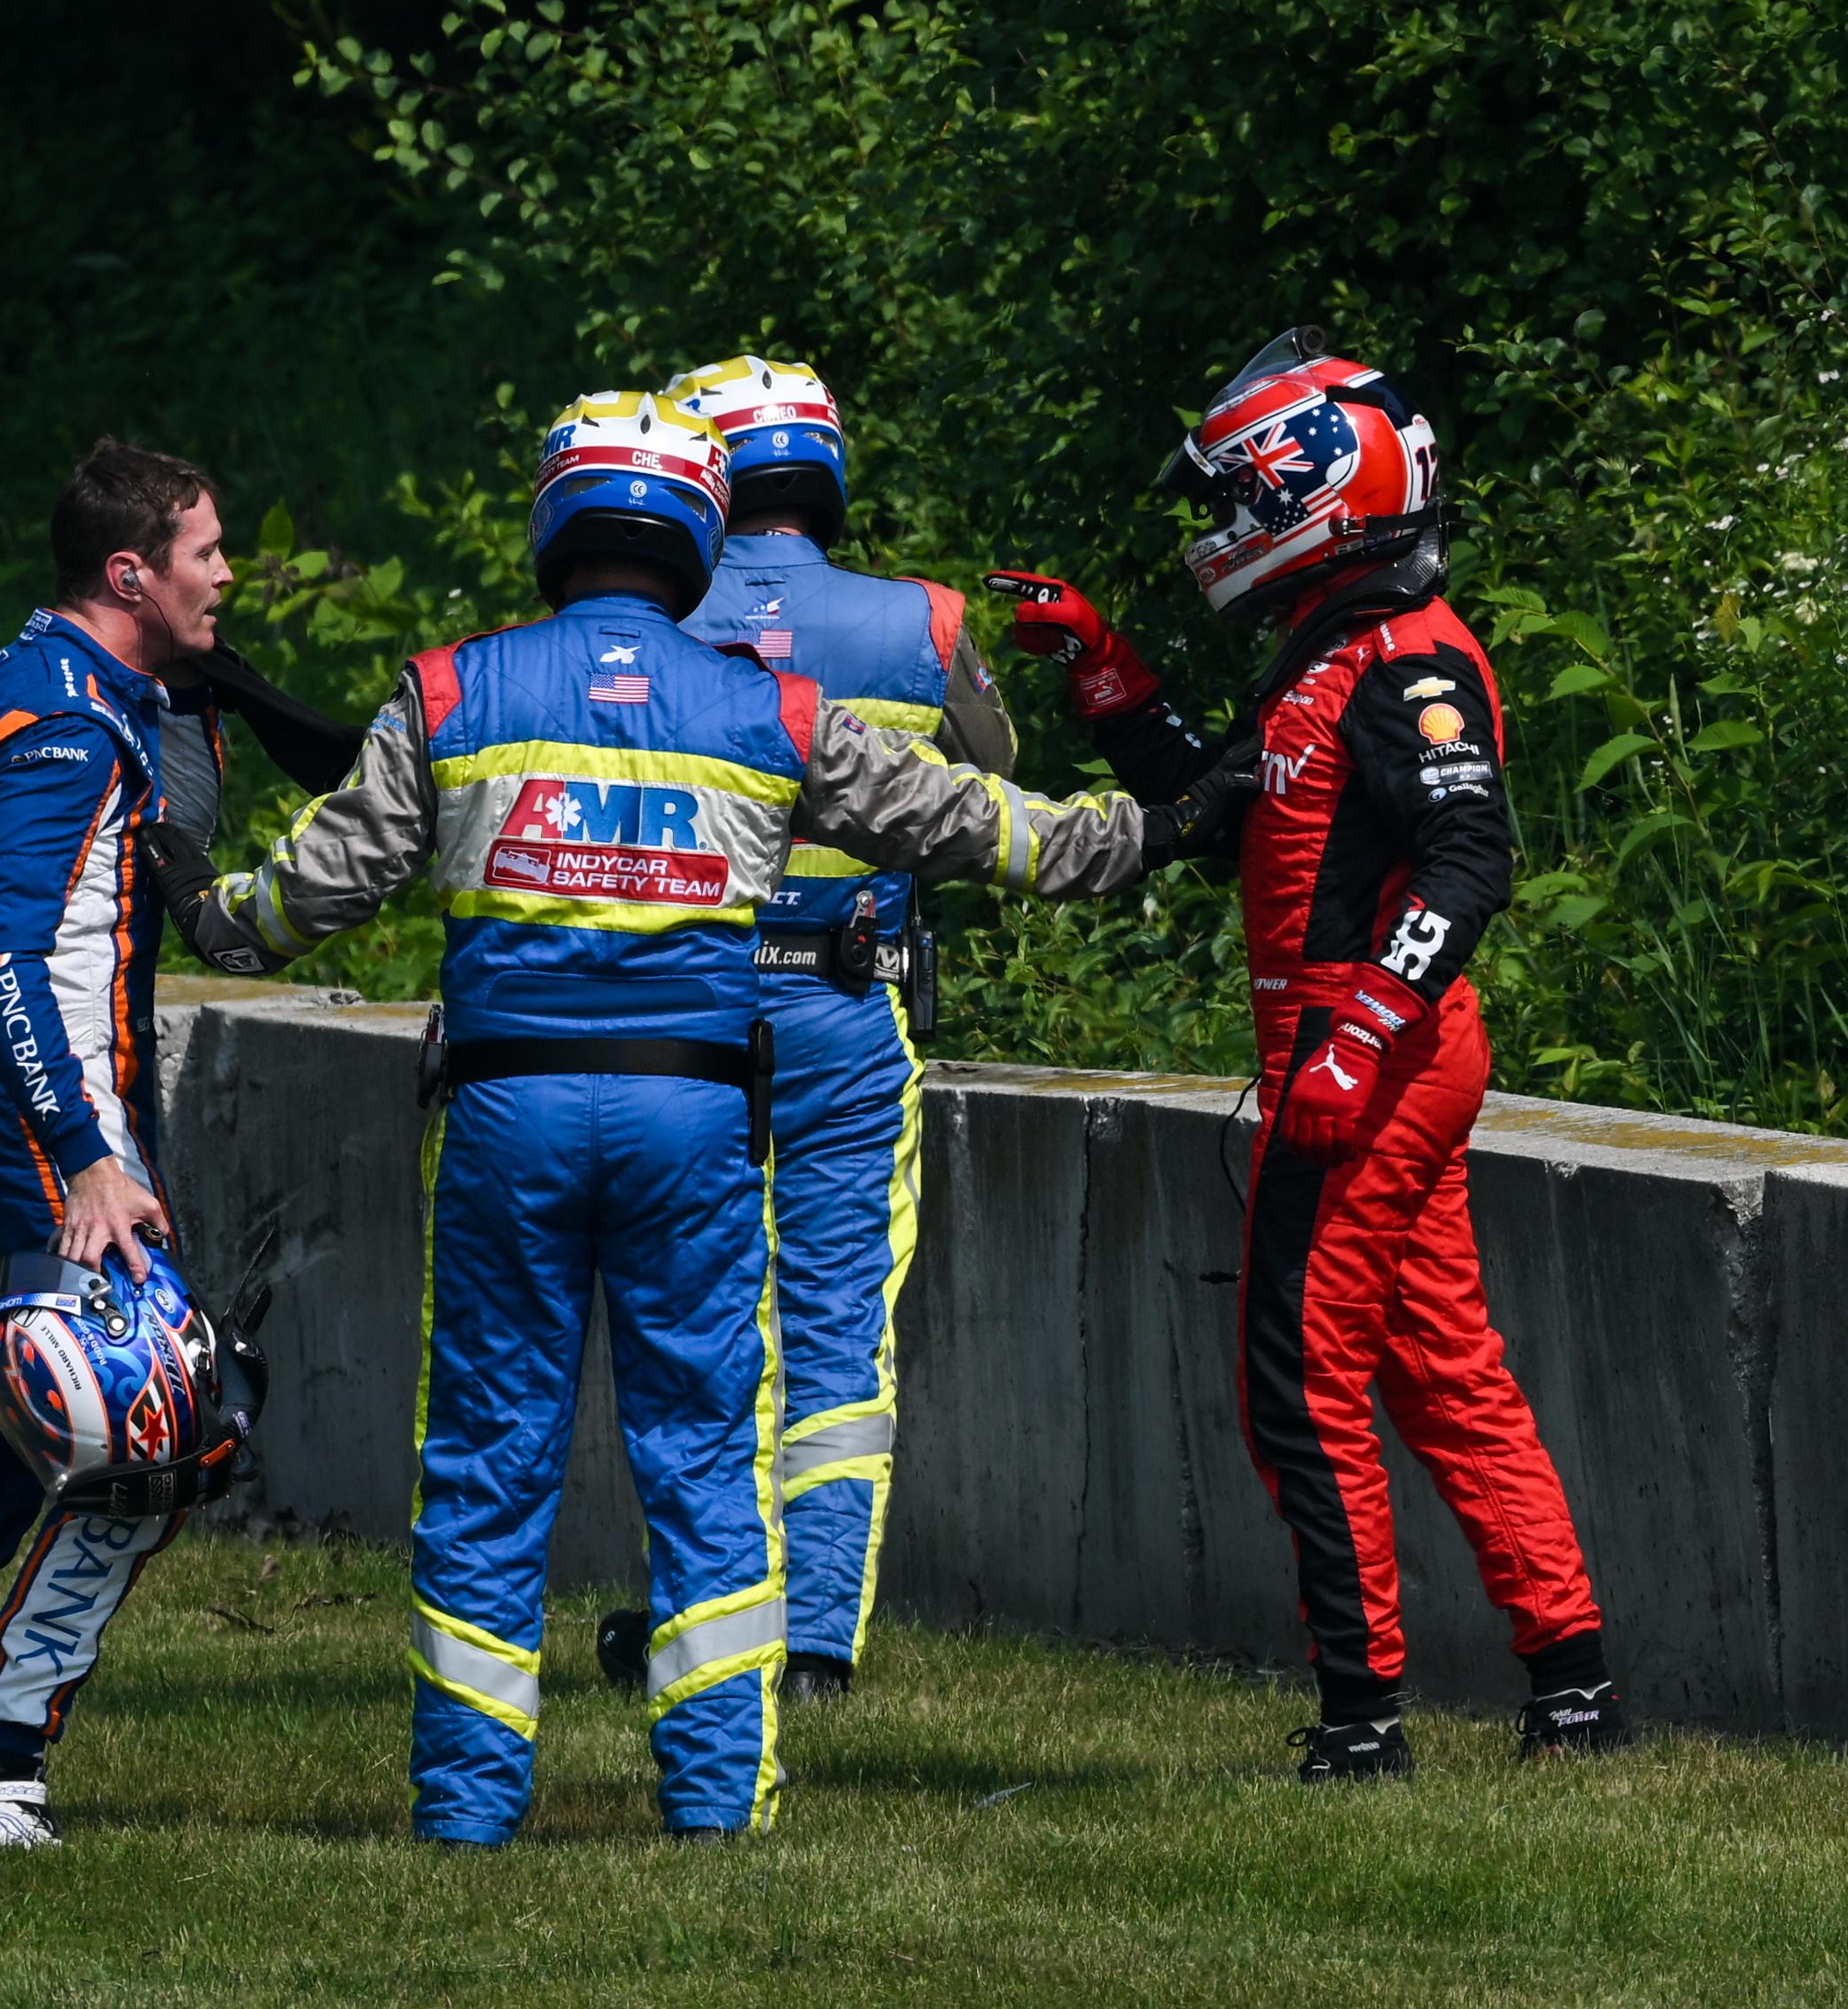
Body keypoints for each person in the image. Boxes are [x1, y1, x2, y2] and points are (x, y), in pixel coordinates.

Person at [156, 388, 1259, 1845]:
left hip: (505, 1120)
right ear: (693, 524)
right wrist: (1167, 825)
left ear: (555, 519)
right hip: (693, 1129)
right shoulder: (771, 708)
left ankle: (467, 1812)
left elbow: (294, 903)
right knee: (701, 1455)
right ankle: (720, 1799)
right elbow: (985, 827)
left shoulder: (449, 692)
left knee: (490, 1456)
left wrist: (193, 884)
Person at [993, 328, 1632, 1782]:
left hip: (1368, 1066)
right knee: (1442, 1367)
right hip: (1376, 1057)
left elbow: (1471, 858)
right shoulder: (1334, 652)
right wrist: (1104, 666)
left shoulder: (1407, 659)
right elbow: (1212, 806)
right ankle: (1574, 1690)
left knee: (1296, 1379)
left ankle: (1362, 1725)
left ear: (1314, 490)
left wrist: (1356, 1038)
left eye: (1235, 497)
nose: (1223, 528)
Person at [612, 352, 1018, 1703]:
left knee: (697, 1322)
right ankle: (820, 1639)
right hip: (850, 1008)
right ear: (828, 466)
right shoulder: (923, 620)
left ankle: (699, 1613)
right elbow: (994, 774)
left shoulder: (640, 617)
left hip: (683, 1013)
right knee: (839, 1326)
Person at [0, 435, 235, 1851]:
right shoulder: (71, 723)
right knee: (159, 1432)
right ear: (130, 571)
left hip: (17, 1127)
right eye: (204, 551)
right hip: (50, 1143)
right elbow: (0, 957)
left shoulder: (25, 681)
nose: (225, 575)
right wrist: (87, 1149)